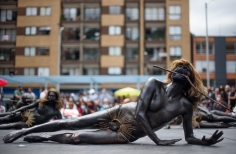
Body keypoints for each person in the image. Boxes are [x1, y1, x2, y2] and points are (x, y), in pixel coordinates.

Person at [3, 59, 223, 146]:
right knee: (71, 123)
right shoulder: (153, 83)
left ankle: (44, 138)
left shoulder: (185, 105)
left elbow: (189, 136)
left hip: (128, 134)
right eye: (179, 67)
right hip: (120, 113)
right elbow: (140, 114)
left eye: (186, 70)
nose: (181, 70)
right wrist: (157, 140)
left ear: (189, 81)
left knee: (78, 138)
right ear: (172, 72)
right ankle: (21, 133)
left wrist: (203, 142)